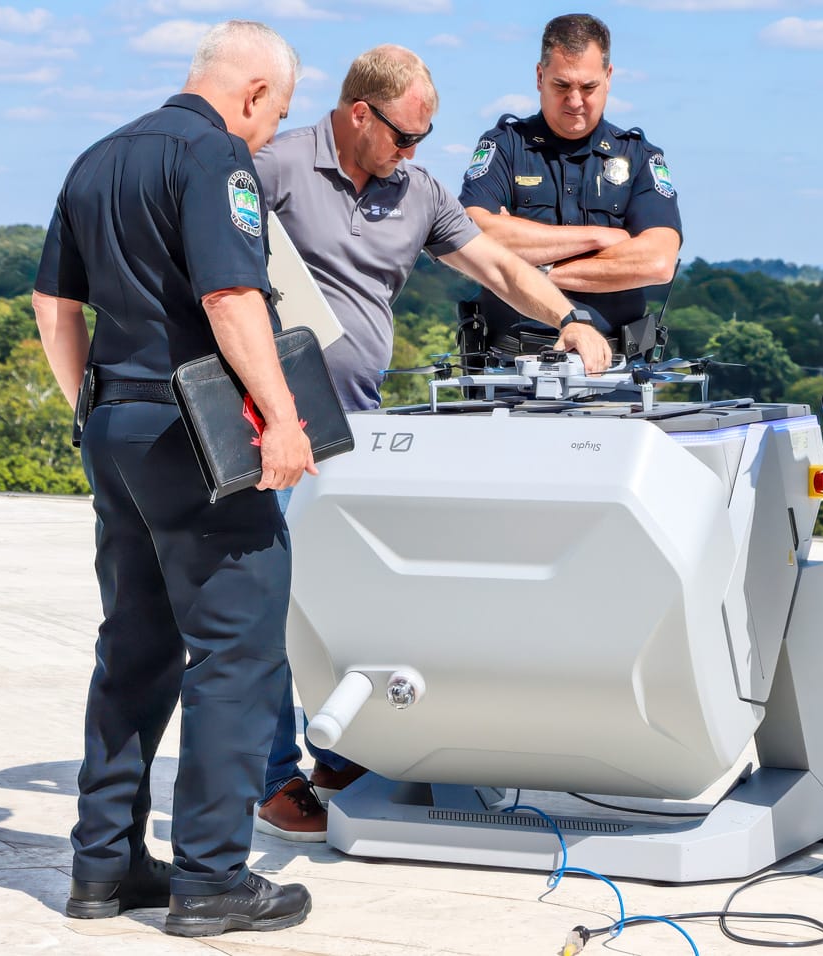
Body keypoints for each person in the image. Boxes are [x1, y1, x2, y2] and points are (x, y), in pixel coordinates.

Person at [249, 43, 612, 843]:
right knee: (267, 606)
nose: (414, 152)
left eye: (426, 136)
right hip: (268, 428)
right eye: (404, 136)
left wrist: (571, 317)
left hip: (359, 429)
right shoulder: (273, 169)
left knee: (349, 590)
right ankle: (273, 775)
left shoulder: (416, 191)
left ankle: (342, 747)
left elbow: (498, 267)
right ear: (357, 114)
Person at [30, 20, 315, 938]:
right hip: (197, 436)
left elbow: (52, 303)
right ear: (254, 92)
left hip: (116, 423)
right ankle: (211, 880)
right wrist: (279, 416)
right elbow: (231, 296)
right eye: (276, 116)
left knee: (136, 645)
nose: (268, 134)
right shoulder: (214, 158)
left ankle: (102, 867)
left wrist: (92, 406)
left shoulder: (95, 159)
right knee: (237, 650)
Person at [459, 13, 680, 360]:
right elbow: (473, 235)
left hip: (617, 371)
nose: (575, 101)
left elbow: (657, 261)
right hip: (512, 367)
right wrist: (600, 239)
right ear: (539, 77)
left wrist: (535, 271)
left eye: (588, 87)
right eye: (561, 86)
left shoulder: (638, 156)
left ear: (608, 78)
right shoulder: (504, 147)